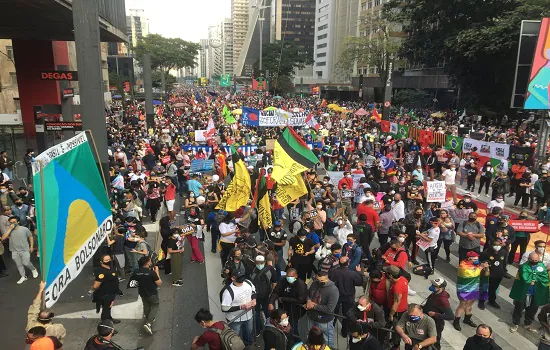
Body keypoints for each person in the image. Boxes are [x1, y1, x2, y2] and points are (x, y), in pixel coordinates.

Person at [509, 252, 549, 333]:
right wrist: (535, 279)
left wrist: (534, 280)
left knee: (532, 310)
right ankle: (515, 323)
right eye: (533, 260)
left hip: (535, 293)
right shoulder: (524, 266)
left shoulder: (541, 266)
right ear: (529, 259)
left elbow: (544, 277)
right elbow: (525, 278)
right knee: (518, 308)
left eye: (536, 260)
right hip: (524, 292)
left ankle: (527, 324)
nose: (535, 261)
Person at [328, 256, 364, 337]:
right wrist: (359, 272)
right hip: (348, 297)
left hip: (335, 296)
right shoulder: (352, 273)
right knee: (347, 315)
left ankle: (330, 329)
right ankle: (344, 332)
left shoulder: (332, 272)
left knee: (333, 313)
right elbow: (359, 282)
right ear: (348, 263)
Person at [268, 268, 307, 338]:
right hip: (283, 309)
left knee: (293, 327)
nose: (289, 278)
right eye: (287, 276)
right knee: (282, 325)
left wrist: (284, 299)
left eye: (291, 276)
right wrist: (271, 302)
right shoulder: (282, 281)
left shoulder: (301, 285)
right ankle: (284, 338)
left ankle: (294, 340)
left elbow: (301, 300)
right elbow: (276, 292)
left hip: (295, 311)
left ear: (296, 276)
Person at [220, 270, 256, 346]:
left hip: (249, 316)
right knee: (234, 338)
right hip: (234, 319)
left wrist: (254, 299)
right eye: (240, 277)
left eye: (242, 276)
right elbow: (224, 308)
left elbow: (254, 291)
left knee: (249, 333)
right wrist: (241, 307)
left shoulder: (248, 283)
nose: (242, 279)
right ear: (233, 278)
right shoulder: (228, 292)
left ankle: (248, 346)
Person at [305, 271, 339, 348]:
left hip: (324, 321)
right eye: (318, 280)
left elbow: (329, 309)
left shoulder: (333, 290)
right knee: (312, 337)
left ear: (327, 279)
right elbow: (308, 294)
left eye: (322, 280)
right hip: (312, 316)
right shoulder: (314, 284)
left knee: (327, 339)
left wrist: (313, 306)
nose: (319, 282)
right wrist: (308, 301)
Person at [1, 215, 38, 284]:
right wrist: (9, 229)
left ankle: (33, 269)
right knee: (19, 264)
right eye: (11, 223)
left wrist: (32, 246)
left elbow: (30, 237)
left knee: (26, 262)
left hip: (24, 249)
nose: (12, 224)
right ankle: (23, 276)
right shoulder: (9, 230)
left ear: (18, 222)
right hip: (14, 250)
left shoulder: (24, 229)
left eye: (14, 222)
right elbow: (3, 238)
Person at [454, 251, 484, 331]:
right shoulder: (463, 265)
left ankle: (467, 319)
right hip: (464, 289)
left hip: (474, 288)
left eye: (477, 259)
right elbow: (471, 274)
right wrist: (480, 268)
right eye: (475, 259)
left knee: (470, 305)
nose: (477, 260)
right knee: (462, 305)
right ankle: (456, 321)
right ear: (469, 259)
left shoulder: (475, 264)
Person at [132, 256, 161, 335]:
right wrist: (157, 272)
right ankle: (149, 323)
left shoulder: (136, 271)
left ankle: (148, 319)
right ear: (148, 263)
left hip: (142, 292)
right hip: (152, 293)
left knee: (146, 305)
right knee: (155, 305)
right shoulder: (152, 273)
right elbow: (159, 283)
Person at [422, 278, 454, 350]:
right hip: (427, 320)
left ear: (441, 288)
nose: (433, 286)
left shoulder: (443, 300)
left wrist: (435, 314)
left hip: (436, 324)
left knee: (435, 342)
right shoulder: (435, 293)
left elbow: (451, 316)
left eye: (435, 285)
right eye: (433, 284)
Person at [250, 255, 277, 333]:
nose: (259, 264)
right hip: (256, 297)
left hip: (267, 296)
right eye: (257, 263)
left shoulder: (270, 269)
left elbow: (274, 282)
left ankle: (271, 329)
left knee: (268, 313)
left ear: (264, 262)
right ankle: (259, 329)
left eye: (261, 263)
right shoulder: (252, 270)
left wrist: (271, 294)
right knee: (256, 314)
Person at [90, 254, 121, 323]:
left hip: (112, 293)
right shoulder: (101, 272)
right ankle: (106, 324)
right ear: (101, 262)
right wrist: (90, 291)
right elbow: (95, 285)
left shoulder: (110, 267)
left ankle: (109, 318)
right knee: (106, 310)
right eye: (106, 260)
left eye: (109, 259)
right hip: (106, 294)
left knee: (109, 307)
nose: (108, 261)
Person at [386, 265, 409, 349]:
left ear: (391, 275)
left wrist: (391, 314)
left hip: (397, 312)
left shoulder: (397, 287)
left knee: (396, 329)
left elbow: (396, 302)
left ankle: (396, 346)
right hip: (402, 309)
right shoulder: (403, 279)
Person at [479, 241, 506, 310]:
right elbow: (481, 263)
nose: (497, 246)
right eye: (495, 245)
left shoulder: (503, 252)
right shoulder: (485, 253)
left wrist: (503, 272)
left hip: (498, 274)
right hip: (488, 274)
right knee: (484, 288)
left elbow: (504, 263)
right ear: (491, 245)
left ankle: (492, 300)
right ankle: (481, 301)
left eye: (499, 245)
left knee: (493, 289)